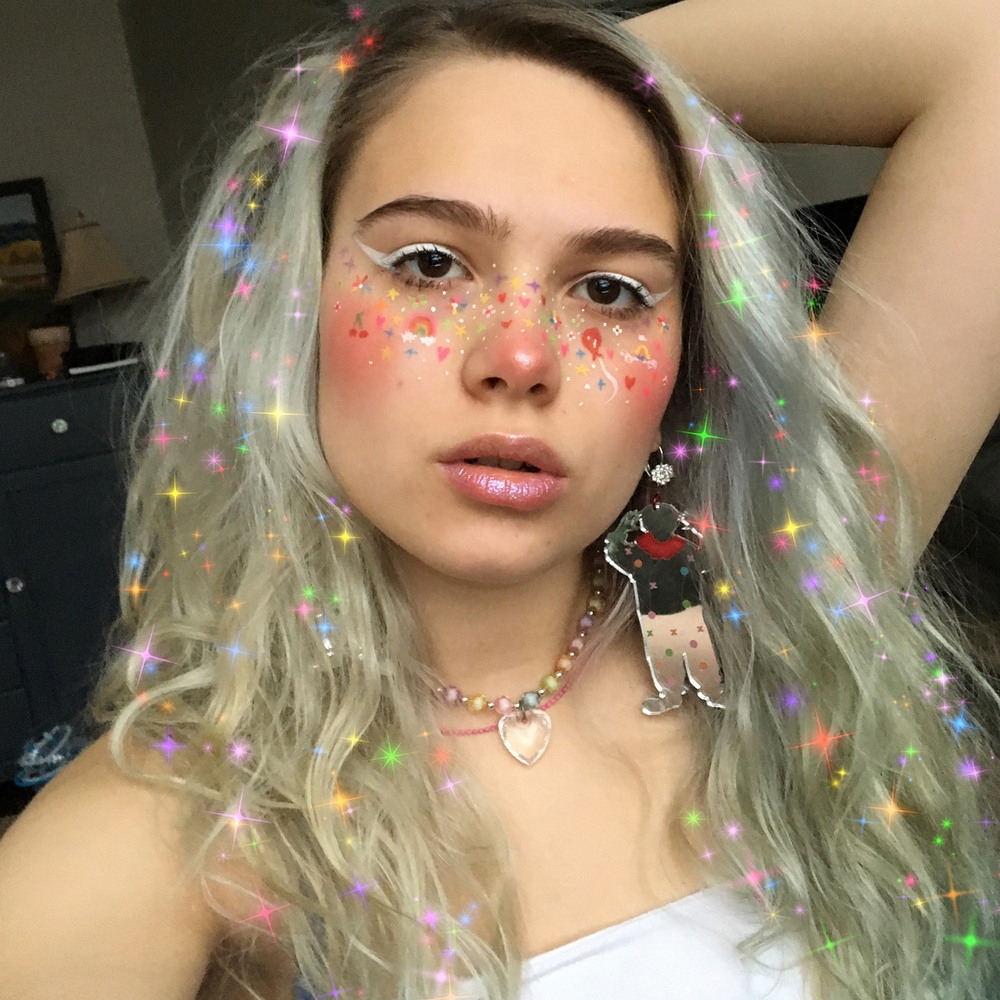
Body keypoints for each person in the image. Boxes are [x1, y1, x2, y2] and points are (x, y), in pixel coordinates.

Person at [1, 0, 999, 997]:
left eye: (610, 290)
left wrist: (540, 73)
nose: (521, 357)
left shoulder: (781, 615)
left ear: (685, 365)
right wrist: (377, 96)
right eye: (428, 264)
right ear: (291, 307)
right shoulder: (183, 820)